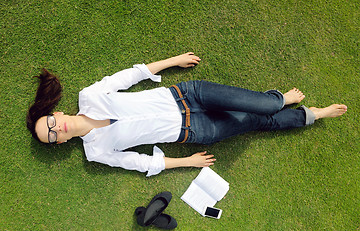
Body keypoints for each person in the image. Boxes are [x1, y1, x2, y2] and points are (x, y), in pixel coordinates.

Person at [27, 52, 347, 176]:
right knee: (256, 122)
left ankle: (276, 99)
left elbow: (129, 76)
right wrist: (187, 161)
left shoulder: (89, 96)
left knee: (267, 105)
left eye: (51, 121)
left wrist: (172, 61)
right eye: (52, 133)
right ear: (59, 142)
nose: (58, 127)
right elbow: (140, 163)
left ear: (57, 112)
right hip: (196, 130)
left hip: (188, 94)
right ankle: (312, 115)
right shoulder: (95, 151)